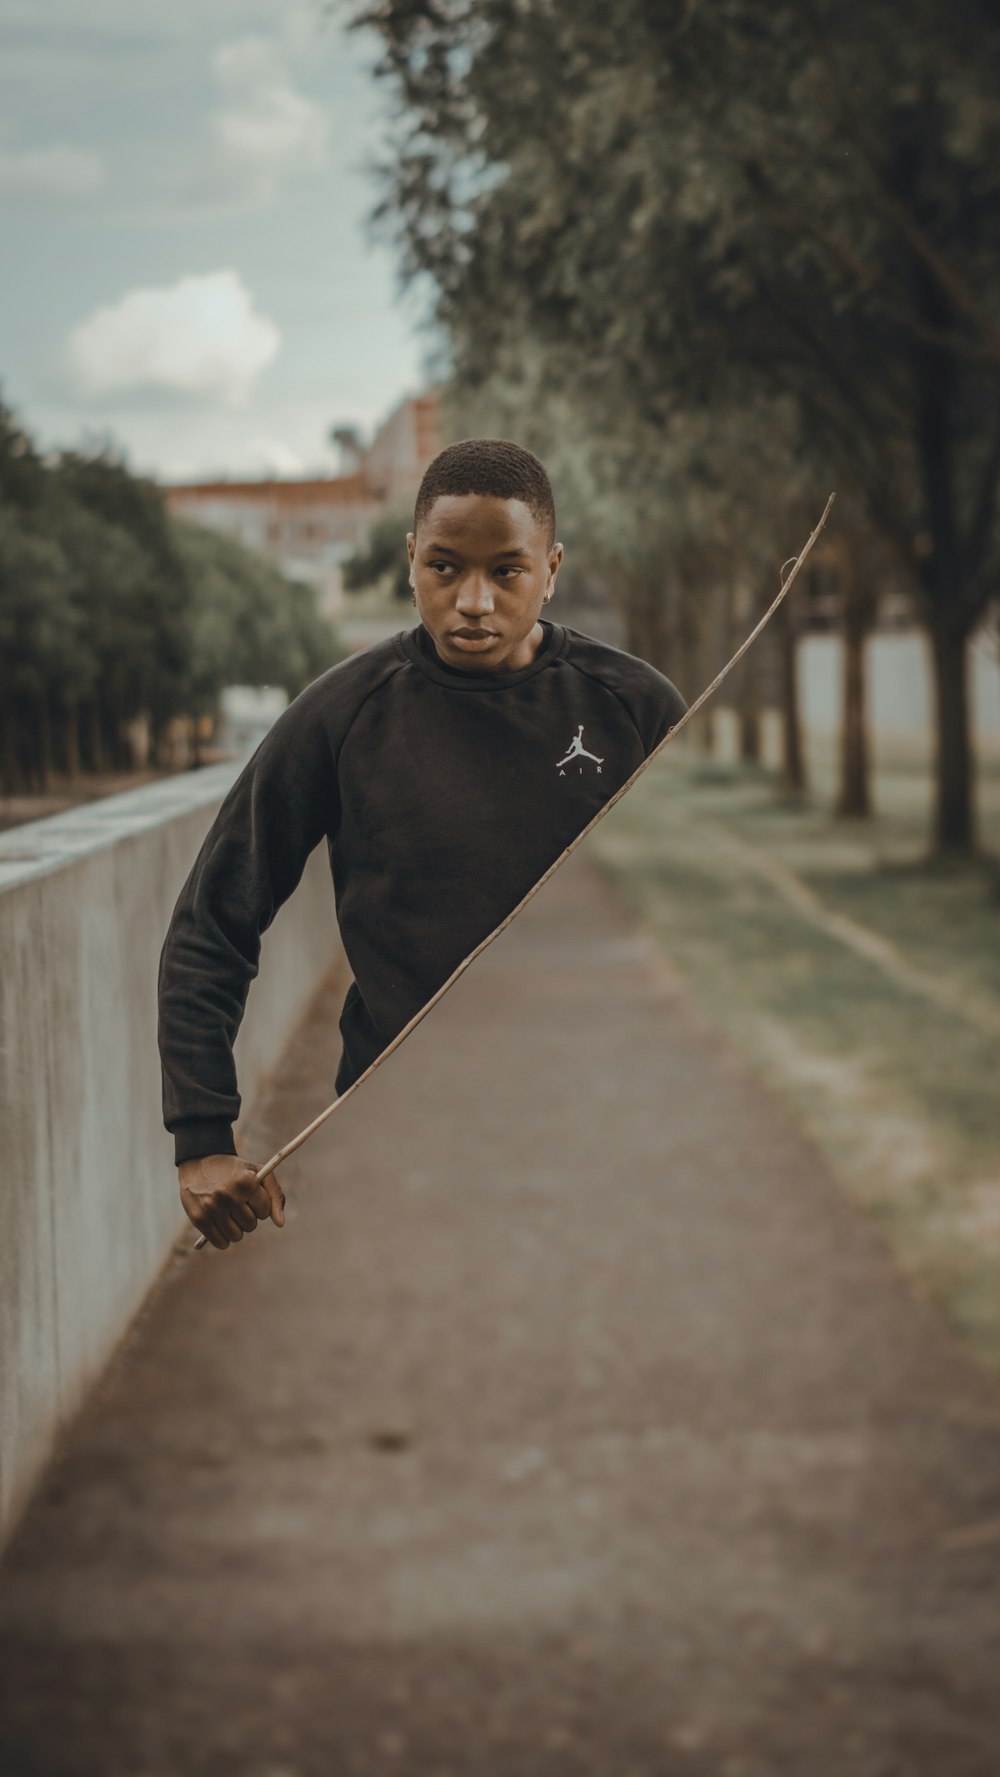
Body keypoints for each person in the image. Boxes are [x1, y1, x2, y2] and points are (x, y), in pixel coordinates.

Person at [158, 438, 687, 1250]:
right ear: (411, 559)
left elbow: (698, 920)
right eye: (445, 567)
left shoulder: (637, 708)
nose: (472, 600)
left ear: (551, 567)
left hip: (608, 1111)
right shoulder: (341, 715)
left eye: (506, 570)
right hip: (397, 1131)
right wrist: (201, 1135)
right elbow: (211, 920)